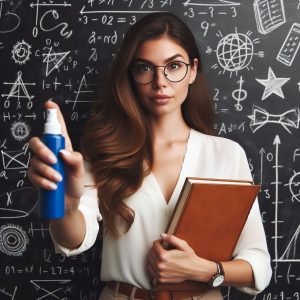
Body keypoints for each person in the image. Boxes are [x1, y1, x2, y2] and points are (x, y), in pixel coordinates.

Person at [28, 12, 272, 300]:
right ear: (130, 75)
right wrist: (66, 208)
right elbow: (74, 240)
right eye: (145, 68)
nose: (160, 81)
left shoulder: (226, 155)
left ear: (192, 70)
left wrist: (203, 270)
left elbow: (258, 264)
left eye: (174, 66)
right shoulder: (105, 152)